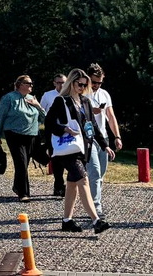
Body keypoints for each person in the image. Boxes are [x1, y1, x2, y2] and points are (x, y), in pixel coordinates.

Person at [45, 68, 113, 234]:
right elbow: (49, 122)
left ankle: (67, 220)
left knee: (72, 184)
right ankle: (96, 220)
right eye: (79, 84)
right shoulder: (62, 101)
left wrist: (105, 145)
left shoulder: (85, 102)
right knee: (83, 180)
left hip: (83, 148)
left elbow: (93, 126)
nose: (82, 87)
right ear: (72, 82)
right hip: (68, 150)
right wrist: (64, 129)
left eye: (85, 85)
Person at [0, 75, 46, 202]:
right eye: (28, 83)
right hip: (14, 134)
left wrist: (38, 105)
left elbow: (44, 118)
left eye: (32, 83)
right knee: (21, 163)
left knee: (24, 163)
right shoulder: (9, 98)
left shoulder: (32, 99)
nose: (31, 86)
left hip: (32, 135)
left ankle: (17, 186)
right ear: (20, 84)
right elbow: (1, 117)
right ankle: (24, 193)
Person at [85, 63, 123, 218]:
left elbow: (111, 116)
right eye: (94, 82)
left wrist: (117, 136)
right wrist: (89, 111)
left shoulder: (104, 94)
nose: (96, 85)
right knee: (94, 171)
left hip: (103, 137)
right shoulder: (82, 93)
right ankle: (95, 206)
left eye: (100, 82)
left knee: (101, 174)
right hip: (88, 138)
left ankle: (92, 199)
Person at [40, 73, 67, 197]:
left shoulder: (70, 94)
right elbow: (41, 112)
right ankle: (59, 185)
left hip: (67, 131)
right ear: (54, 83)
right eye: (59, 82)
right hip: (52, 131)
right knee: (55, 158)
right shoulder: (48, 95)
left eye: (63, 82)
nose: (61, 85)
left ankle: (69, 186)